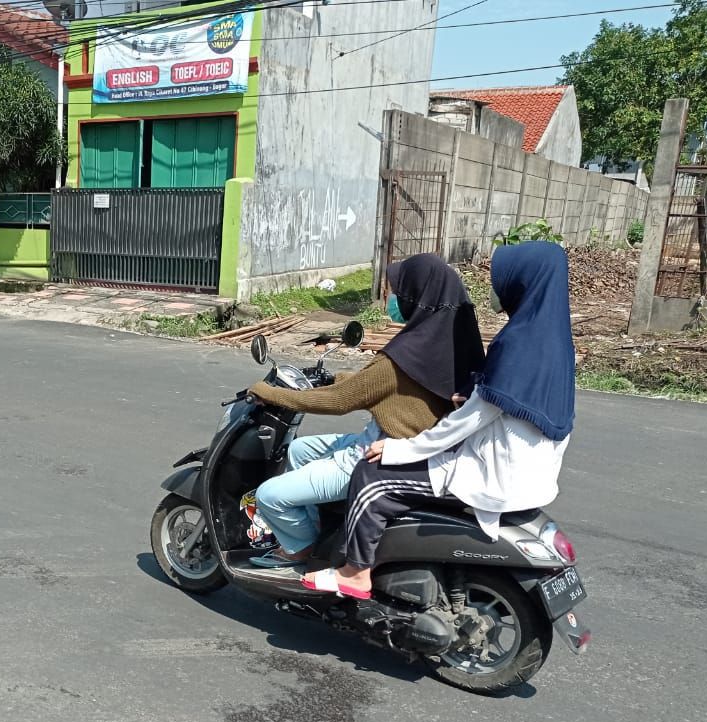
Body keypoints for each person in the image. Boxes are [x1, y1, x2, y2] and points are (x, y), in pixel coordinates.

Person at [306, 241, 575, 599]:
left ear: (523, 283)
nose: (496, 292)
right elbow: (517, 404)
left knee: (371, 479)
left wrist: (402, 449)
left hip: (497, 476)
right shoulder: (553, 338)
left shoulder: (518, 344)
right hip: (536, 473)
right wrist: (479, 394)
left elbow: (464, 423)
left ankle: (355, 572)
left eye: (501, 282)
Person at [244, 253, 486, 569]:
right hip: (419, 447)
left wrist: (272, 394)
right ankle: (320, 529)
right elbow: (394, 393)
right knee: (300, 450)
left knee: (269, 496)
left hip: (376, 452)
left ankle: (299, 546)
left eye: (399, 290)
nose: (392, 298)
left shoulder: (400, 357)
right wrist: (344, 379)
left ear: (417, 296)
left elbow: (339, 401)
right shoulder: (452, 342)